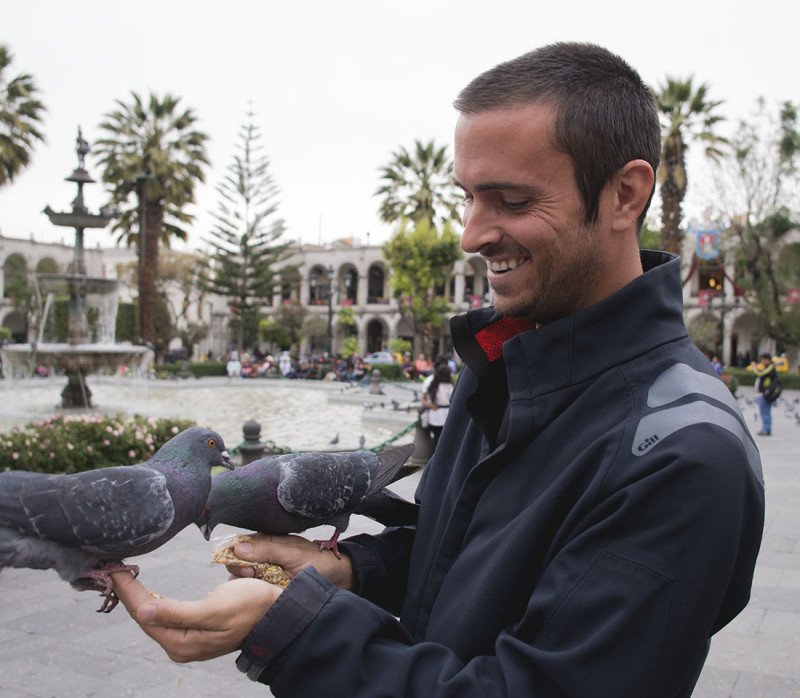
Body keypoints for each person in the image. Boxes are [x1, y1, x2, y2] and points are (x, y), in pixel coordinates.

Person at [113, 43, 765, 697]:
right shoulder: (505, 367)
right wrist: (355, 571)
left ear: (625, 195)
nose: (471, 233)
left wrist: (296, 630)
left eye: (510, 200)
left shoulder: (683, 455)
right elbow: (465, 551)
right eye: (469, 197)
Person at [420, 364, 454, 448]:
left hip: (434, 416)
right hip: (446, 417)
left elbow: (424, 399)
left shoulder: (432, 386)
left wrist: (430, 405)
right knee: (447, 441)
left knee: (436, 439)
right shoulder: (449, 387)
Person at [753, 352, 779, 435]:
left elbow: (760, 373)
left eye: (763, 359)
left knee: (765, 412)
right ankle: (766, 428)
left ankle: (766, 429)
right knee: (764, 412)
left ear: (768, 360)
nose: (761, 361)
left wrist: (754, 368)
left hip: (766, 394)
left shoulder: (770, 367)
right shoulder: (767, 367)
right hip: (762, 394)